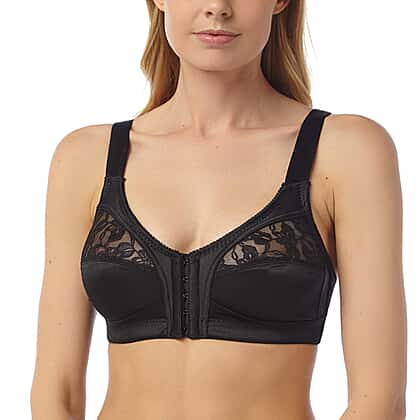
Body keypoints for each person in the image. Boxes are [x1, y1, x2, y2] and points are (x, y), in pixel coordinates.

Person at [30, 1, 407, 419]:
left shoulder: (346, 150)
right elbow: (56, 392)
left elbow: (380, 401)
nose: (217, 7)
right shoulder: (86, 158)